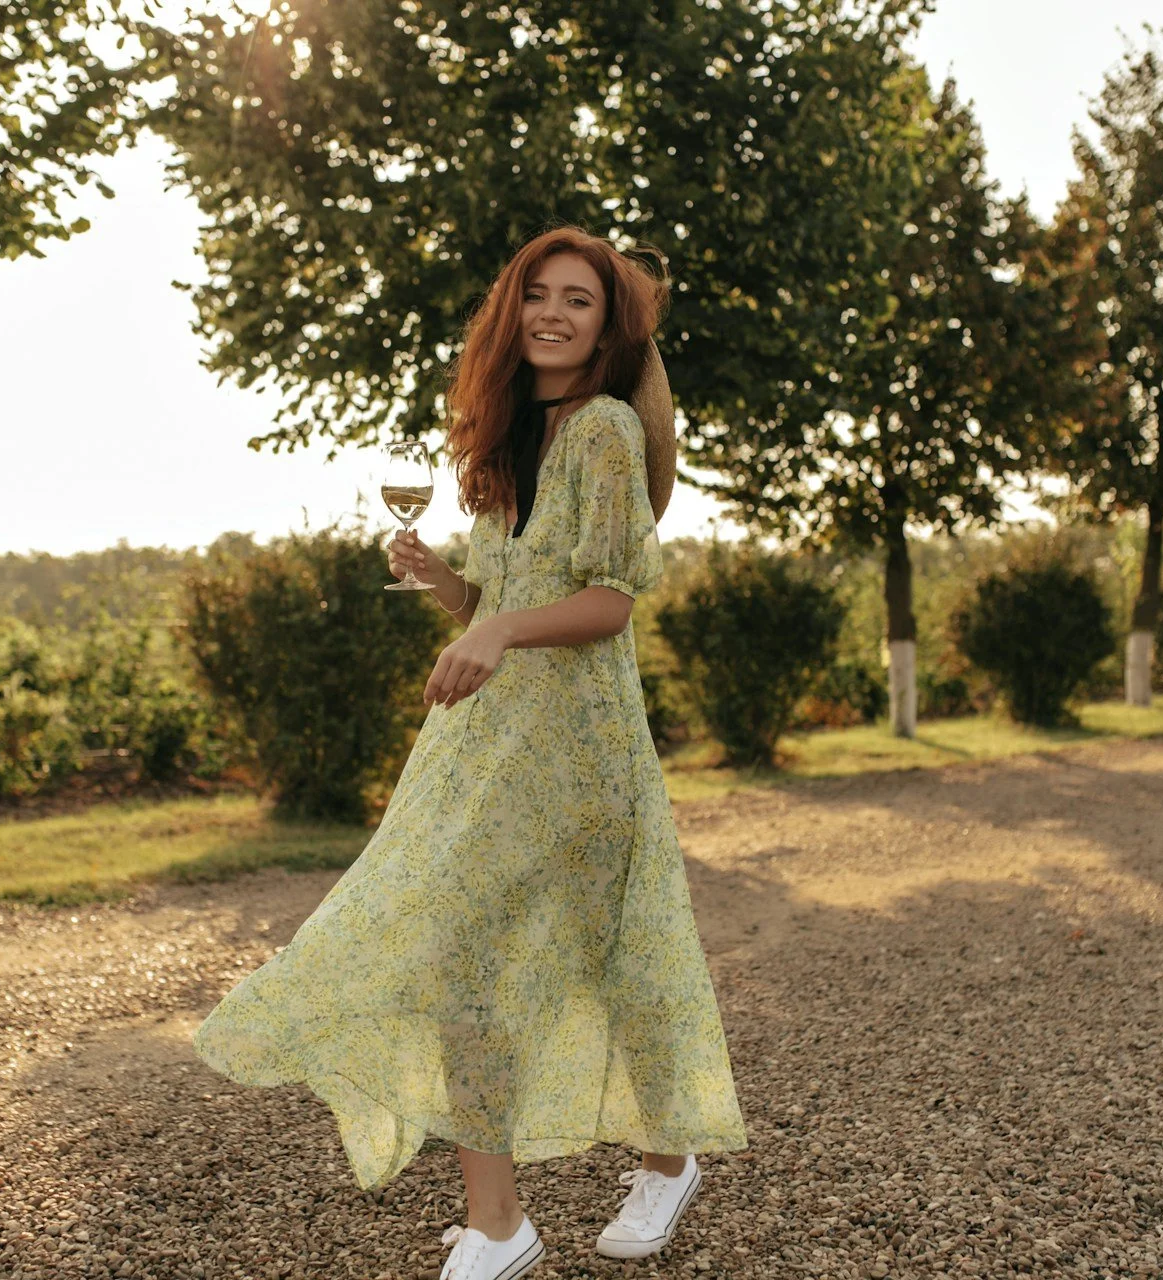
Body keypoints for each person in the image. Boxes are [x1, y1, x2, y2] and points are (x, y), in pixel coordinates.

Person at [191, 225, 747, 1280]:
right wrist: (451, 587)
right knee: (461, 954)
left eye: (577, 299)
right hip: (488, 745)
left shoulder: (607, 431)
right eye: (536, 293)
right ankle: (500, 1222)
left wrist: (491, 629)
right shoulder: (510, 434)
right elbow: (510, 590)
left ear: (609, 323)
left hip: (579, 748)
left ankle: (666, 1159)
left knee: (611, 958)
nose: (551, 312)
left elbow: (609, 600)